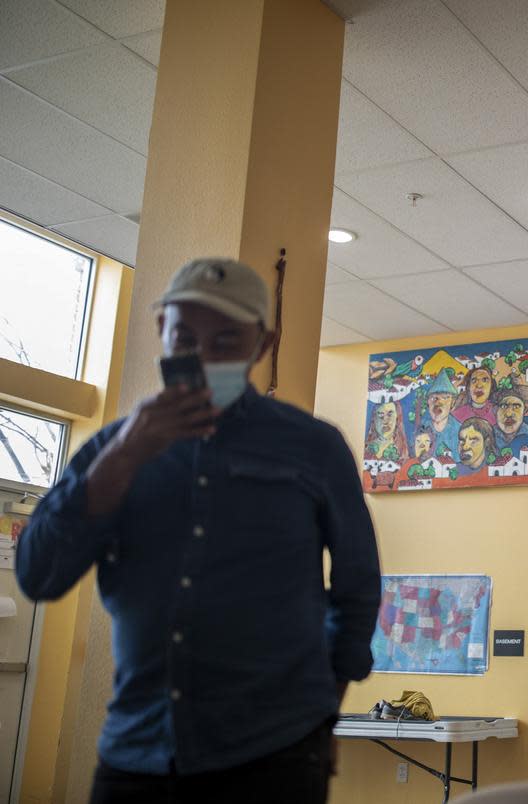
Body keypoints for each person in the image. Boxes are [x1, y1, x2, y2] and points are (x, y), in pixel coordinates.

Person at [16, 258, 382, 804]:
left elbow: (357, 586)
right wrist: (127, 454)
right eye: (184, 335)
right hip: (137, 749)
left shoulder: (316, 447)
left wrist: (324, 711)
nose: (203, 356)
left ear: (263, 344)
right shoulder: (110, 450)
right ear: (159, 327)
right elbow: (40, 576)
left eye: (227, 340)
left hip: (277, 750)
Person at [420, 372, 461, 459]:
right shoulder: (421, 427)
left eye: (445, 397)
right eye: (433, 398)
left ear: (452, 403)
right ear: (428, 402)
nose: (438, 403)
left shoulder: (459, 430)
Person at [494, 381, 528, 451]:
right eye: (503, 406)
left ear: (524, 409)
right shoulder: (487, 437)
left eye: (516, 406)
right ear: (495, 410)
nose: (509, 414)